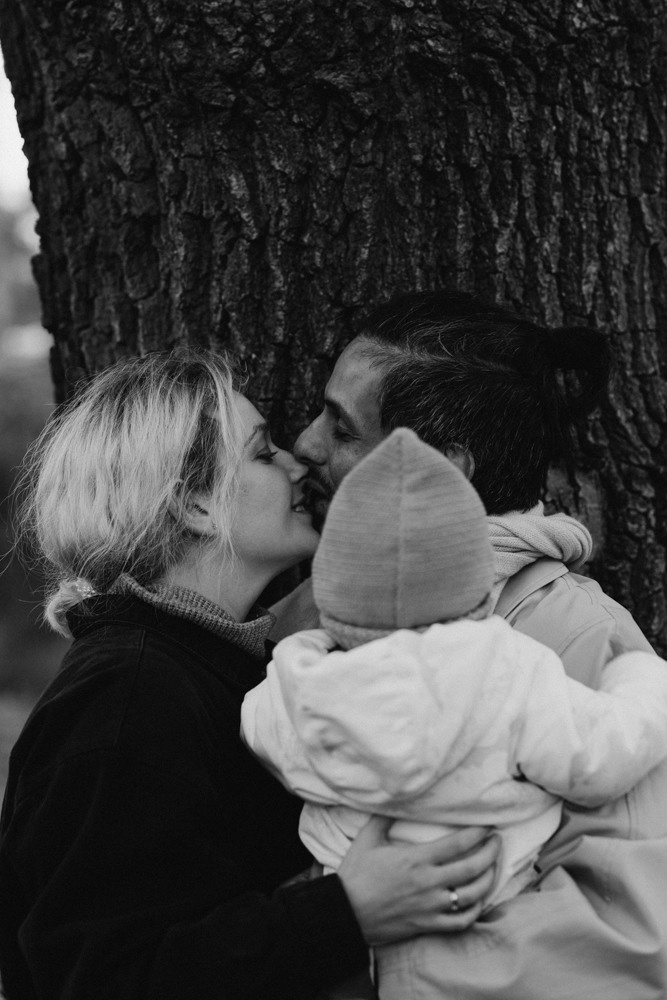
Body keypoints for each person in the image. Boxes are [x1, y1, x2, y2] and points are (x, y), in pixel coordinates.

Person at [0, 349, 499, 1000]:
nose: (298, 459)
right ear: (194, 505)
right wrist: (346, 910)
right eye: (263, 453)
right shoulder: (126, 694)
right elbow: (102, 978)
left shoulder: (206, 670)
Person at [271, 290, 667, 998]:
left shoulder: (576, 637)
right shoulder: (319, 622)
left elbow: (631, 936)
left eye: (340, 426)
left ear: (438, 469)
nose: (303, 444)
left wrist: (383, 951)